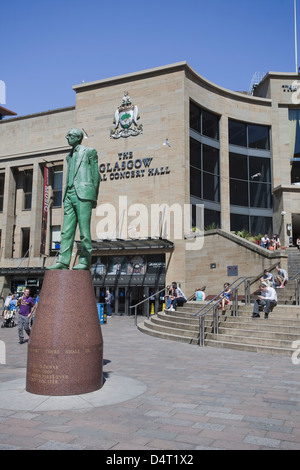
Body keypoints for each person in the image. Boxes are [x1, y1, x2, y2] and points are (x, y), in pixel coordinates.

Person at [48, 128, 100, 270]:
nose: (67, 137)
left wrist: (94, 196)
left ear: (78, 137)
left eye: (70, 135)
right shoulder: (68, 157)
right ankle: (63, 261)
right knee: (66, 231)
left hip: (83, 193)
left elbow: (96, 175)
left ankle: (84, 261)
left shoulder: (90, 152)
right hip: (69, 194)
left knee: (84, 230)